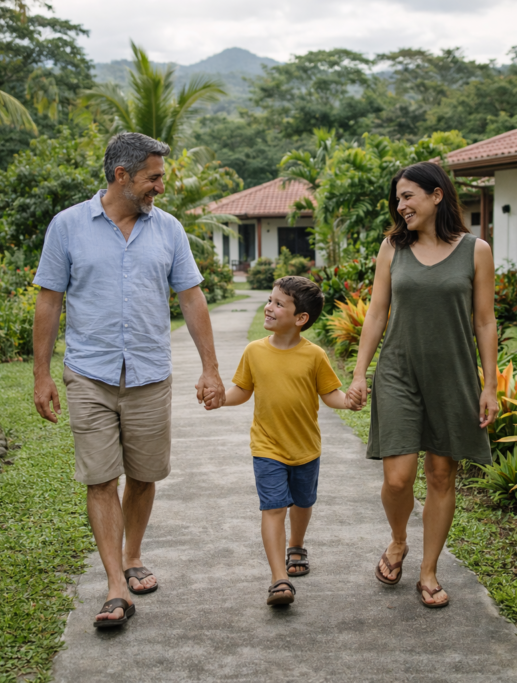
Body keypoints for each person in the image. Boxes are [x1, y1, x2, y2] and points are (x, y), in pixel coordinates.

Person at [31, 132, 226, 630]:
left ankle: (133, 554)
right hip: (89, 373)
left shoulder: (169, 230)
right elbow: (49, 301)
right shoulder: (68, 226)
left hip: (148, 372)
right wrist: (41, 375)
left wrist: (210, 368)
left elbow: (192, 298)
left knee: (144, 474)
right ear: (123, 176)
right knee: (101, 478)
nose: (161, 187)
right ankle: (116, 583)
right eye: (154, 177)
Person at [346, 162, 497, 609]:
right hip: (398, 371)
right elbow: (376, 313)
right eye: (398, 198)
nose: (401, 205)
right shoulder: (393, 247)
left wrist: (490, 384)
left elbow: (485, 321)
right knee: (397, 479)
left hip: (454, 374)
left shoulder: (476, 250)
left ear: (436, 196)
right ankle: (398, 541)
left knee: (441, 474)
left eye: (408, 195)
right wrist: (359, 372)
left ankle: (428, 571)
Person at [223, 276, 359, 606]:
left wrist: (349, 401)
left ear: (301, 319)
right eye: (270, 300)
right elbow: (242, 391)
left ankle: (296, 545)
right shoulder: (254, 351)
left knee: (302, 502)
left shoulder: (314, 356)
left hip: (305, 448)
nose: (269, 307)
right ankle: (278, 578)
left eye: (278, 303)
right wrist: (220, 399)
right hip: (267, 447)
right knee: (272, 508)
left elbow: (330, 395)